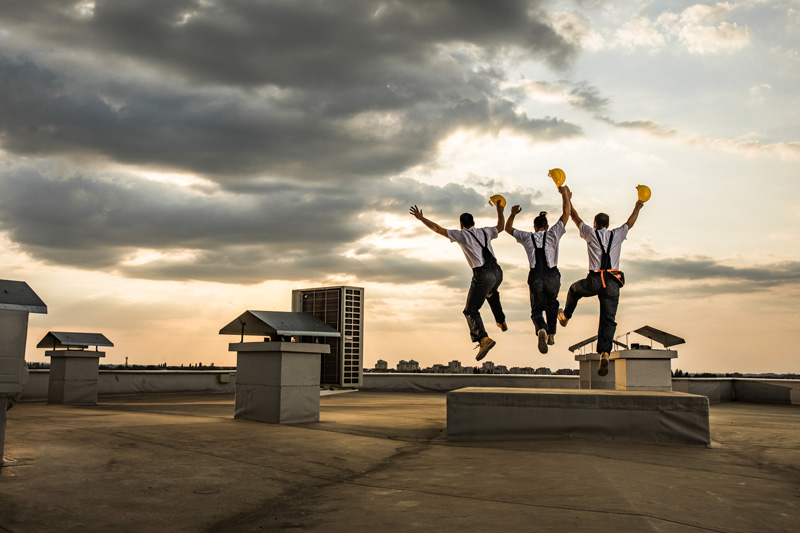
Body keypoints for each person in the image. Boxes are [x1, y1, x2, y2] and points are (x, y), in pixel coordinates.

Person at [558, 193, 645, 376]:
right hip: (613, 282)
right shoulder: (617, 234)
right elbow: (630, 223)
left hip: (595, 280)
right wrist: (637, 207)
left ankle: (565, 316)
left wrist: (568, 198)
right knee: (608, 319)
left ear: (596, 224)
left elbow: (574, 217)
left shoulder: (591, 233)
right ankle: (605, 352)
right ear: (608, 224)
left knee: (574, 290)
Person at [409, 202, 507, 361]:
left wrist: (421, 218)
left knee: (470, 310)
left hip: (482, 274)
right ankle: (501, 321)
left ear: (461, 225)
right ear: (474, 223)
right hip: (498, 272)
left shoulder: (462, 235)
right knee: (492, 293)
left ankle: (483, 339)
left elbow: (438, 229)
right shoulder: (485, 231)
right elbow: (501, 226)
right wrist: (500, 210)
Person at [505, 186, 571, 354]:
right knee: (553, 304)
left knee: (536, 309)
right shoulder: (553, 233)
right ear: (547, 226)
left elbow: (508, 228)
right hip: (552, 274)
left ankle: (541, 328)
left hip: (535, 275)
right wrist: (565, 196)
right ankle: (551, 335)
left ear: (534, 227)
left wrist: (512, 213)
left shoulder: (527, 237)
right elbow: (566, 214)